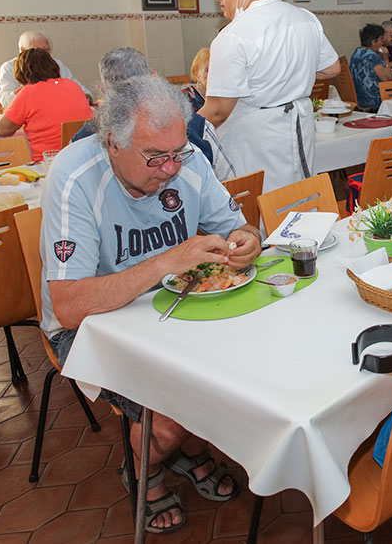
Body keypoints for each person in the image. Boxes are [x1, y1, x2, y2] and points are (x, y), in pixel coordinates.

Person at [42, 75, 261, 534]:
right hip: (95, 327)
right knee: (173, 414)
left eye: (176, 153)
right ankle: (146, 466)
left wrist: (247, 241)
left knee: (244, 370)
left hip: (177, 308)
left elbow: (241, 228)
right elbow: (68, 306)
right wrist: (167, 262)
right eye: (155, 157)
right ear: (111, 142)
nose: (170, 169)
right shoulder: (75, 176)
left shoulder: (189, 160)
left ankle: (188, 446)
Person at [201, 0, 340, 193]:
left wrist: (187, 130)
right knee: (299, 200)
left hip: (257, 140)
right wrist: (291, 75)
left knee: (263, 209)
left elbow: (219, 111)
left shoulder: (233, 35)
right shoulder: (304, 19)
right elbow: (331, 68)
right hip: (298, 126)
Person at [74, 47, 236, 181]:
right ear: (153, 78)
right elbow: (229, 182)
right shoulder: (197, 126)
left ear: (103, 90)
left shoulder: (82, 140)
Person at [0, 47, 92, 161]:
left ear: (21, 73)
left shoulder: (28, 93)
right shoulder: (73, 86)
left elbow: (1, 130)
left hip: (48, 162)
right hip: (84, 159)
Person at [0, 31, 88, 108]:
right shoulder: (9, 67)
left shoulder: (56, 64)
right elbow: (5, 101)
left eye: (46, 49)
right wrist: (29, 88)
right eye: (36, 50)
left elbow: (79, 89)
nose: (43, 54)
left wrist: (87, 98)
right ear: (23, 51)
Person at [351, 23, 392, 111]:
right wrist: (386, 59)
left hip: (358, 97)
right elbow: (388, 80)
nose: (383, 42)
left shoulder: (356, 53)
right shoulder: (373, 57)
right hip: (374, 99)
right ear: (374, 42)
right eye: (381, 39)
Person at [182, 47, 210, 112]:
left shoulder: (223, 93)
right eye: (207, 70)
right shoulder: (186, 97)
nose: (212, 75)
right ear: (197, 74)